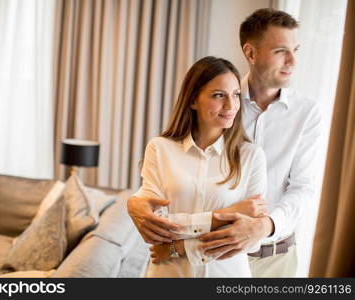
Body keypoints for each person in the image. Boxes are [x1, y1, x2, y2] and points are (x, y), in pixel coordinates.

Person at [128, 8, 322, 278]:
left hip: (273, 255)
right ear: (251, 53)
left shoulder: (307, 113)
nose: (292, 61)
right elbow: (162, 205)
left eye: (295, 50)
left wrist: (264, 225)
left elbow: (304, 189)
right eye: (280, 51)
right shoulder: (220, 105)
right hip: (202, 261)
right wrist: (134, 203)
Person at [131, 56, 269, 277]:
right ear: (193, 100)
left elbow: (249, 240)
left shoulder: (252, 156)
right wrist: (228, 214)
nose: (231, 105)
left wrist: (179, 248)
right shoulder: (160, 149)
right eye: (218, 95)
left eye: (235, 95)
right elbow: (156, 228)